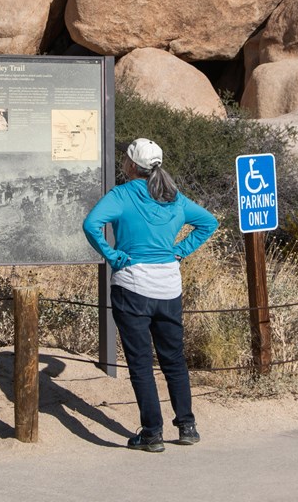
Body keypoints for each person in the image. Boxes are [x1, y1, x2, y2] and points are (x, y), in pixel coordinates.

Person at [83, 138, 219, 453]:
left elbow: (91, 224)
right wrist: (179, 251)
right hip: (169, 286)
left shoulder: (121, 194)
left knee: (141, 363)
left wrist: (112, 255)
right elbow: (208, 223)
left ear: (131, 165)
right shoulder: (173, 197)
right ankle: (187, 426)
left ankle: (152, 433)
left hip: (132, 286)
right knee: (174, 360)